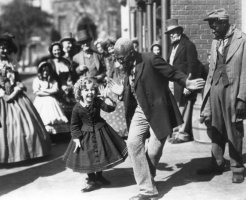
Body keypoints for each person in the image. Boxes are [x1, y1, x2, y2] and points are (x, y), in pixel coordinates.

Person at [107, 37, 205, 200]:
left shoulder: (151, 59)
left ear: (131, 52)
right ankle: (147, 189)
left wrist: (187, 83)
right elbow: (132, 87)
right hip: (140, 110)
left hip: (160, 110)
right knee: (132, 143)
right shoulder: (127, 65)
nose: (119, 61)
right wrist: (121, 92)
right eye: (117, 58)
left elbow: (172, 72)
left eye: (121, 58)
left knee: (153, 152)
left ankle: (149, 179)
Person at [197, 8, 246, 184]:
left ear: (225, 23)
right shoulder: (214, 41)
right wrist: (207, 96)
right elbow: (212, 70)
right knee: (215, 127)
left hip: (233, 91)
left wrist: (242, 98)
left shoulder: (242, 40)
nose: (212, 29)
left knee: (234, 129)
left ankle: (237, 167)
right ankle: (217, 162)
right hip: (216, 89)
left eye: (214, 25)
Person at [63, 77, 127, 192]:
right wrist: (76, 138)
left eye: (92, 90)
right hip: (85, 135)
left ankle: (99, 176)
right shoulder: (77, 107)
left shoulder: (97, 101)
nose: (90, 92)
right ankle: (92, 179)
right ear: (80, 92)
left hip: (100, 130)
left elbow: (109, 109)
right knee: (88, 157)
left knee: (102, 154)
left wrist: (107, 98)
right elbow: (74, 125)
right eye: (86, 90)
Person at [0, 33, 51, 163]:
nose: (4, 50)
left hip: (15, 94)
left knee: (25, 123)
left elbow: (17, 80)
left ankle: (26, 153)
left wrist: (17, 88)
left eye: (6, 48)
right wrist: (4, 95)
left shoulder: (12, 63)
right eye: (1, 48)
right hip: (2, 96)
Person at [165, 18, 200, 143]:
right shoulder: (173, 46)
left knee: (184, 108)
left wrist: (188, 85)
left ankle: (183, 134)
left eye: (174, 32)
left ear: (180, 31)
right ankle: (176, 132)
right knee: (177, 108)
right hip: (173, 83)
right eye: (170, 33)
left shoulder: (188, 45)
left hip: (184, 84)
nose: (172, 35)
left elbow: (192, 66)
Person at [33, 61, 70, 135]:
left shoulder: (53, 80)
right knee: (43, 116)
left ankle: (54, 134)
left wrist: (44, 90)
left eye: (47, 71)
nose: (45, 72)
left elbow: (55, 90)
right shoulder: (37, 80)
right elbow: (37, 92)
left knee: (54, 116)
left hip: (51, 100)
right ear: (40, 71)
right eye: (43, 71)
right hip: (40, 100)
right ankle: (43, 133)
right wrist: (48, 91)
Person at [47, 42, 75, 122]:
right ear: (52, 51)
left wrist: (69, 86)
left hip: (68, 87)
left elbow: (70, 75)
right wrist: (59, 87)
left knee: (70, 110)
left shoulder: (65, 61)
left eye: (58, 50)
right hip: (56, 88)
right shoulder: (50, 62)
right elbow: (49, 78)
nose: (57, 52)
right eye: (55, 50)